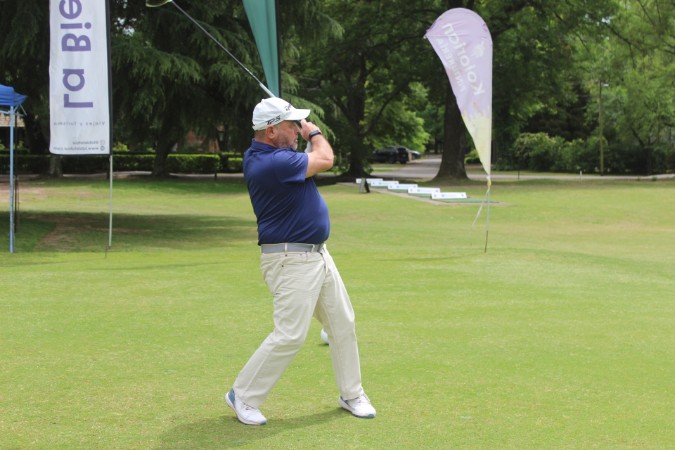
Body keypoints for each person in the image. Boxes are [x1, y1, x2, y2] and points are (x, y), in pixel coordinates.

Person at [225, 97, 376, 425]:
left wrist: (300, 132)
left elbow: (311, 159)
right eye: (291, 125)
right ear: (270, 131)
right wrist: (314, 132)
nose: (297, 129)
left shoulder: (271, 155)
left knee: (342, 323)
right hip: (290, 260)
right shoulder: (273, 162)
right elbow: (326, 158)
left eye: (299, 124)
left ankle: (351, 393)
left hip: (317, 255)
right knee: (290, 335)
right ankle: (243, 395)